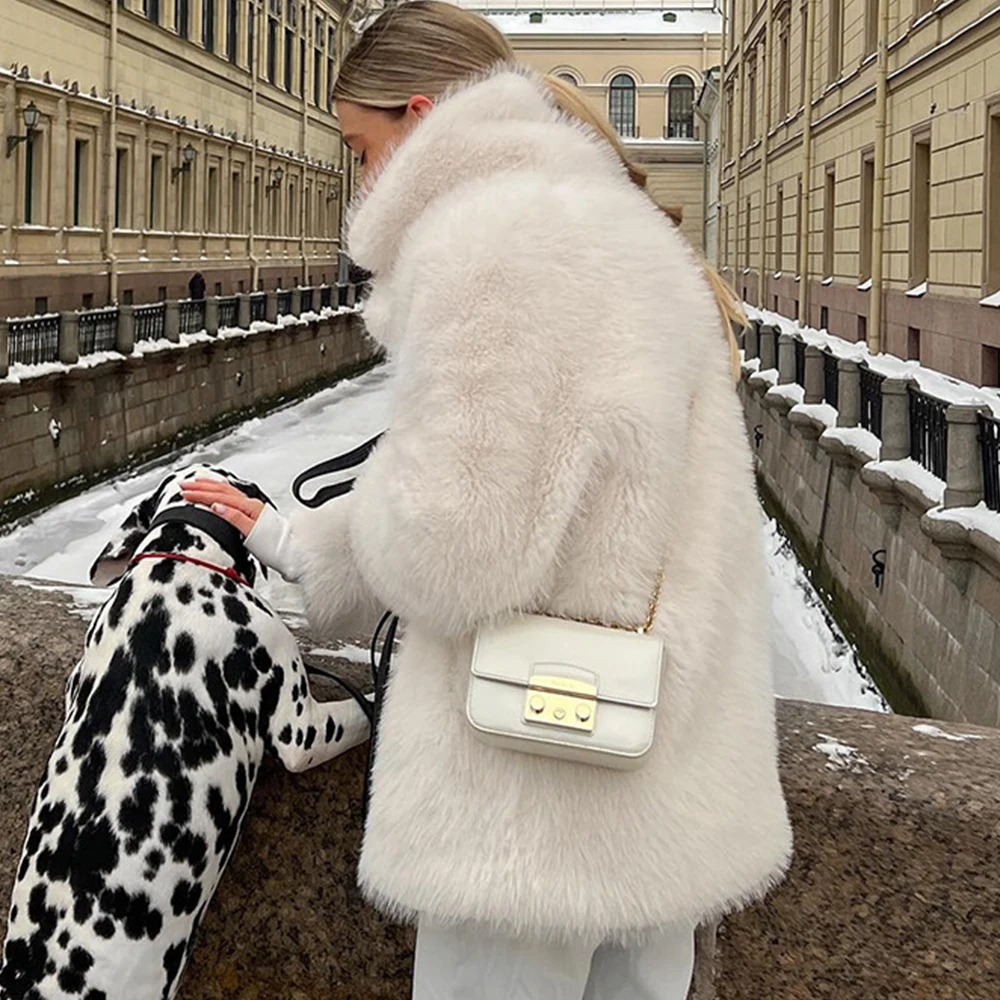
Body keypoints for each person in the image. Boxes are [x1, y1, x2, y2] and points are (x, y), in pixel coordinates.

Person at [182, 4, 791, 997]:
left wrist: (335, 530)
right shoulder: (624, 227)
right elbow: (560, 497)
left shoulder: (490, 240)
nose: (361, 181)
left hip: (524, 808)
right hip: (662, 781)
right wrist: (313, 542)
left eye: (361, 148)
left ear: (421, 115)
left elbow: (454, 549)